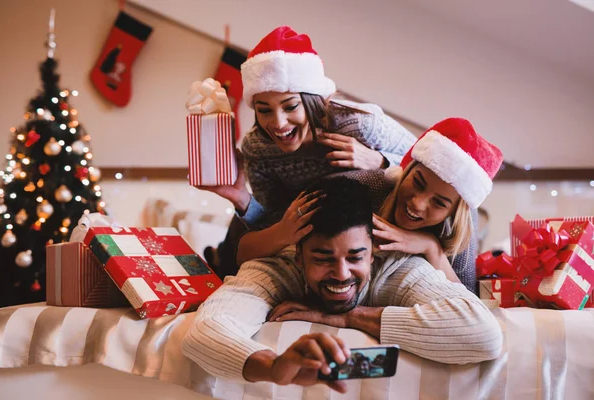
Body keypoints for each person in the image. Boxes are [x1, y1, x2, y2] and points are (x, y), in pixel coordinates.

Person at [183, 177, 503, 393]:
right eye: (322, 258)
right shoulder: (277, 267)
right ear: (298, 254)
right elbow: (206, 329)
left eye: (355, 257)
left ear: (374, 250)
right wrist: (273, 367)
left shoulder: (398, 267)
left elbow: (483, 333)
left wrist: (344, 317)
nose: (340, 274)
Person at [200, 25, 416, 278]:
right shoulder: (257, 148)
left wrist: (379, 161)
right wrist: (240, 198)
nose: (278, 123)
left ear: (312, 100)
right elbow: (272, 221)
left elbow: (425, 166)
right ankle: (219, 267)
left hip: (364, 230)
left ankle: (220, 260)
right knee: (241, 223)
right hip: (308, 230)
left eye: (290, 106)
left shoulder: (359, 125)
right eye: (264, 110)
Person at [374, 117, 503, 291]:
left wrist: (432, 248)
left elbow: (469, 300)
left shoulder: (459, 226)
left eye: (439, 203)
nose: (418, 204)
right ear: (407, 170)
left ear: (452, 213)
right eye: (417, 183)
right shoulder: (372, 186)